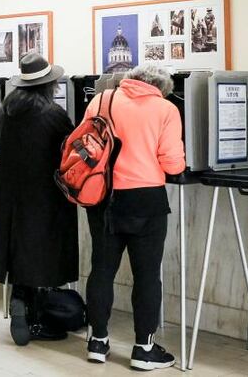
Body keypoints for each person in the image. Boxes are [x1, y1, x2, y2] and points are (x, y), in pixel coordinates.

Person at [83, 64, 185, 371]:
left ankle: (97, 342)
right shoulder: (165, 109)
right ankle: (144, 349)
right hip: (145, 200)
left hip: (102, 196)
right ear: (160, 87)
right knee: (146, 275)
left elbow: (86, 145)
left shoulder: (101, 100)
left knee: (101, 269)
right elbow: (173, 164)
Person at [0, 53, 77, 346]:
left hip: (11, 195)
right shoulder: (52, 114)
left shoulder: (4, 111)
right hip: (45, 195)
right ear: (49, 84)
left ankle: (19, 298)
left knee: (18, 248)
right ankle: (39, 317)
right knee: (44, 252)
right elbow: (69, 151)